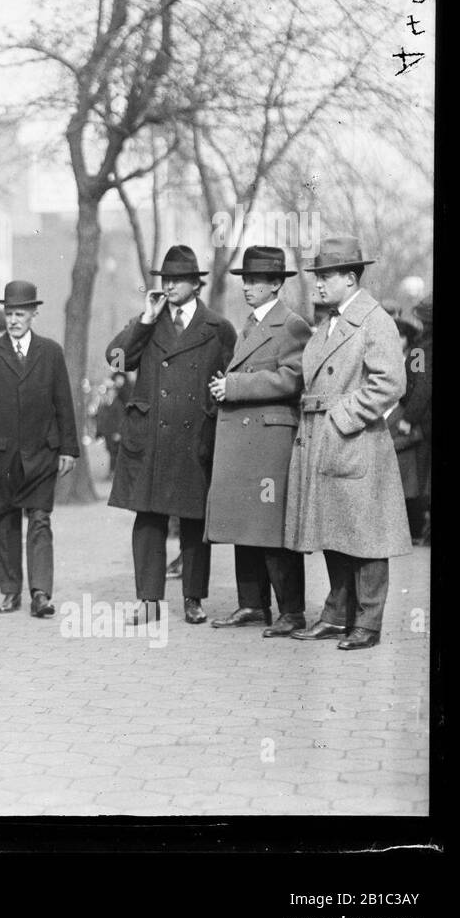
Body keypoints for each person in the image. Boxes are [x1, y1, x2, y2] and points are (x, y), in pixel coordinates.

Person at [286, 237, 410, 651]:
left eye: (326, 276)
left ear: (351, 278)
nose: (318, 283)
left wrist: (342, 417)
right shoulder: (330, 322)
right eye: (317, 276)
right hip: (325, 439)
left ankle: (368, 623)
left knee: (367, 535)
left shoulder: (374, 321)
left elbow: (390, 382)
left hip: (355, 439)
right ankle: (338, 615)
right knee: (334, 531)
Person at [105, 245, 237, 625]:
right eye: (166, 279)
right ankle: (148, 602)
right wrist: (145, 319)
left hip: (196, 434)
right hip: (151, 437)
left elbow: (231, 375)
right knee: (149, 520)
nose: (171, 285)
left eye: (179, 279)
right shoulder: (149, 322)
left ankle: (193, 599)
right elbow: (115, 360)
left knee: (194, 522)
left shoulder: (218, 328)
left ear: (196, 284)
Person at [205, 247, 313, 636]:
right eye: (246, 280)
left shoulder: (292, 325)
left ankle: (292, 611)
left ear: (276, 285)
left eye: (256, 281)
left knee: (272, 529)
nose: (248, 288)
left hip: (270, 441)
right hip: (247, 438)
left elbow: (292, 378)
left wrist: (234, 386)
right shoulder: (251, 323)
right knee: (243, 524)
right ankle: (252, 604)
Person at [0, 280, 78, 617]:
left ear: (34, 314)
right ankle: (10, 591)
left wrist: (68, 448)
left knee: (40, 520)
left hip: (41, 453)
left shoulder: (51, 352)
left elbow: (63, 403)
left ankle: (40, 593)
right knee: (4, 523)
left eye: (21, 314)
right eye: (10, 313)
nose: (14, 320)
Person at [388, 316, 425, 541]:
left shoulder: (415, 354)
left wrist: (409, 415)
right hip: (396, 412)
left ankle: (416, 529)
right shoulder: (394, 355)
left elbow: (419, 385)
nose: (396, 339)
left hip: (407, 414)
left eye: (401, 336)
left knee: (413, 478)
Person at [405, 296, 432, 544]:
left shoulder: (419, 350)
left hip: (423, 422)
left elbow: (419, 387)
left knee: (422, 480)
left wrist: (407, 417)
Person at [95, 371, 131, 477]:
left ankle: (114, 473)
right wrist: (99, 432)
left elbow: (120, 418)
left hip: (115, 432)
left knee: (115, 453)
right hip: (108, 432)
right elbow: (101, 418)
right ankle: (112, 473)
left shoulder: (118, 404)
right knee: (111, 452)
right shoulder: (105, 404)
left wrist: (119, 432)